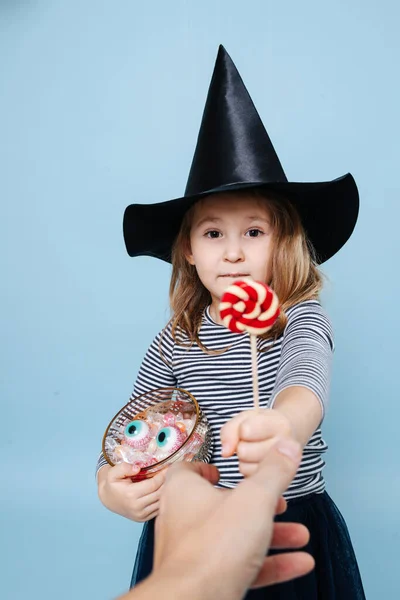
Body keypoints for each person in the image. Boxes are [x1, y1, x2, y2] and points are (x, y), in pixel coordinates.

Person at [97, 45, 366, 599]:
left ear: (282, 242)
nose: (234, 253)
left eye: (255, 232)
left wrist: (282, 427)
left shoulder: (298, 319)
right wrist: (110, 484)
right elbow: (136, 424)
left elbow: (305, 385)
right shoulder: (179, 338)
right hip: (192, 529)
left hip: (289, 519)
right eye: (213, 233)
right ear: (189, 251)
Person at [116, 439, 315, 600]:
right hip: (188, 519)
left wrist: (286, 427)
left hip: (294, 510)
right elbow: (138, 419)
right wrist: (108, 478)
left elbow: (304, 394)